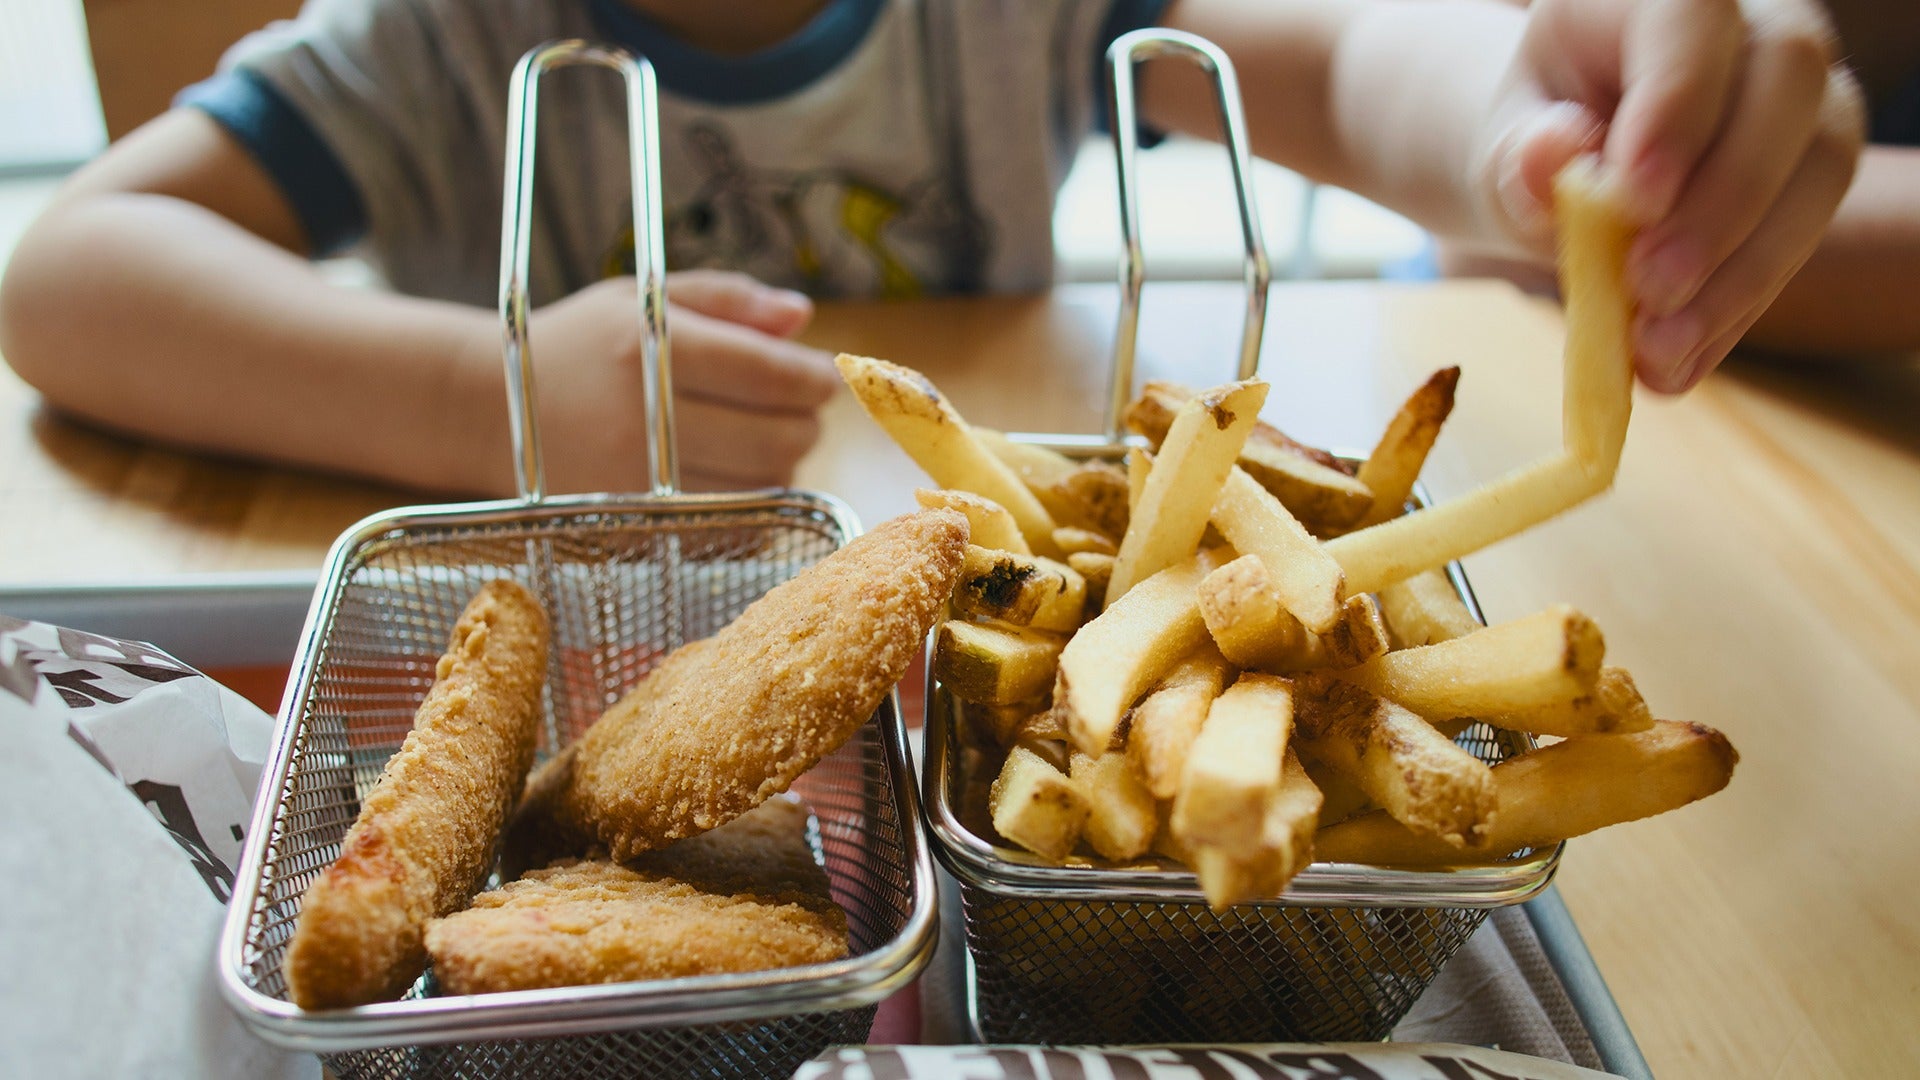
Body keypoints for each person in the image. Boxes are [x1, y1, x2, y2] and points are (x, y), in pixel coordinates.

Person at [0, 0, 1865, 495]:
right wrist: (486, 401)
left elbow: (1353, 58)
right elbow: (69, 276)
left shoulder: (1014, 11)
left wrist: (1512, 115)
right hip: (592, 614)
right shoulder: (431, 39)